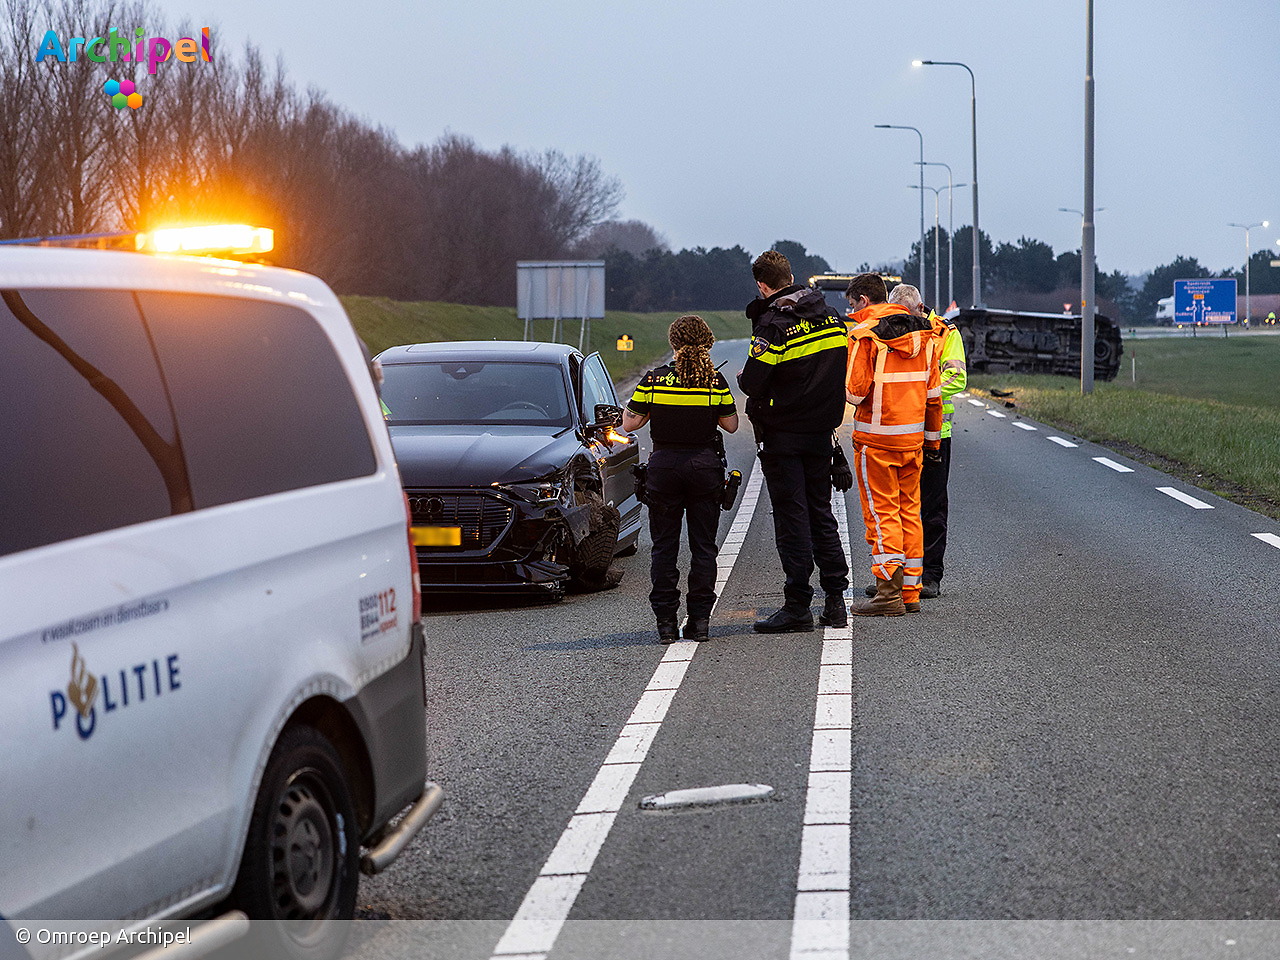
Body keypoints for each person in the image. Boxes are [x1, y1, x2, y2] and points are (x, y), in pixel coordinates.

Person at [738, 250, 850, 633]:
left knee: (792, 519)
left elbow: (753, 381)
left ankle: (797, 605)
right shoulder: (833, 318)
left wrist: (745, 378)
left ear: (762, 284)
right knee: (822, 514)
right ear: (791, 276)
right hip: (821, 433)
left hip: (783, 435)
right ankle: (836, 601)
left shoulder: (773, 325)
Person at [623, 315, 738, 644]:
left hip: (664, 469)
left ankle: (666, 624)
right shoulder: (715, 381)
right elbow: (730, 425)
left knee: (664, 548)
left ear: (674, 343)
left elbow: (631, 423)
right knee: (704, 548)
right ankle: (699, 621)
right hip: (704, 467)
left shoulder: (654, 379)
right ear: (708, 343)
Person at [844, 274, 942, 616]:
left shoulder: (865, 335)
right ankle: (911, 592)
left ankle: (887, 594)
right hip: (913, 440)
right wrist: (932, 443)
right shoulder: (928, 338)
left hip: (876, 439)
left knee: (882, 513)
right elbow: (934, 399)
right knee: (909, 512)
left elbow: (854, 393)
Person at [877, 283, 966, 599]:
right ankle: (898, 577)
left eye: (906, 313)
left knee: (931, 507)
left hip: (935, 435)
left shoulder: (945, 333)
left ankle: (930, 575)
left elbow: (957, 377)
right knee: (896, 507)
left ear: (919, 308)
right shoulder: (890, 329)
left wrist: (921, 394)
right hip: (898, 433)